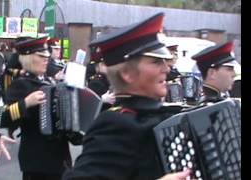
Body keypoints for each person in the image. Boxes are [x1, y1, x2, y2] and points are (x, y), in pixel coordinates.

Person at [62, 12, 191, 180]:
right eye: (156, 62)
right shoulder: (115, 124)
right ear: (127, 73)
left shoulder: (166, 115)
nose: (166, 69)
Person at [0, 36, 74, 180]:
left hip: (60, 160)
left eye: (47, 55)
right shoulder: (21, 85)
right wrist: (26, 103)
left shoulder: (51, 82)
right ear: (28, 58)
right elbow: (3, 119)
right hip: (37, 162)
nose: (46, 59)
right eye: (41, 56)